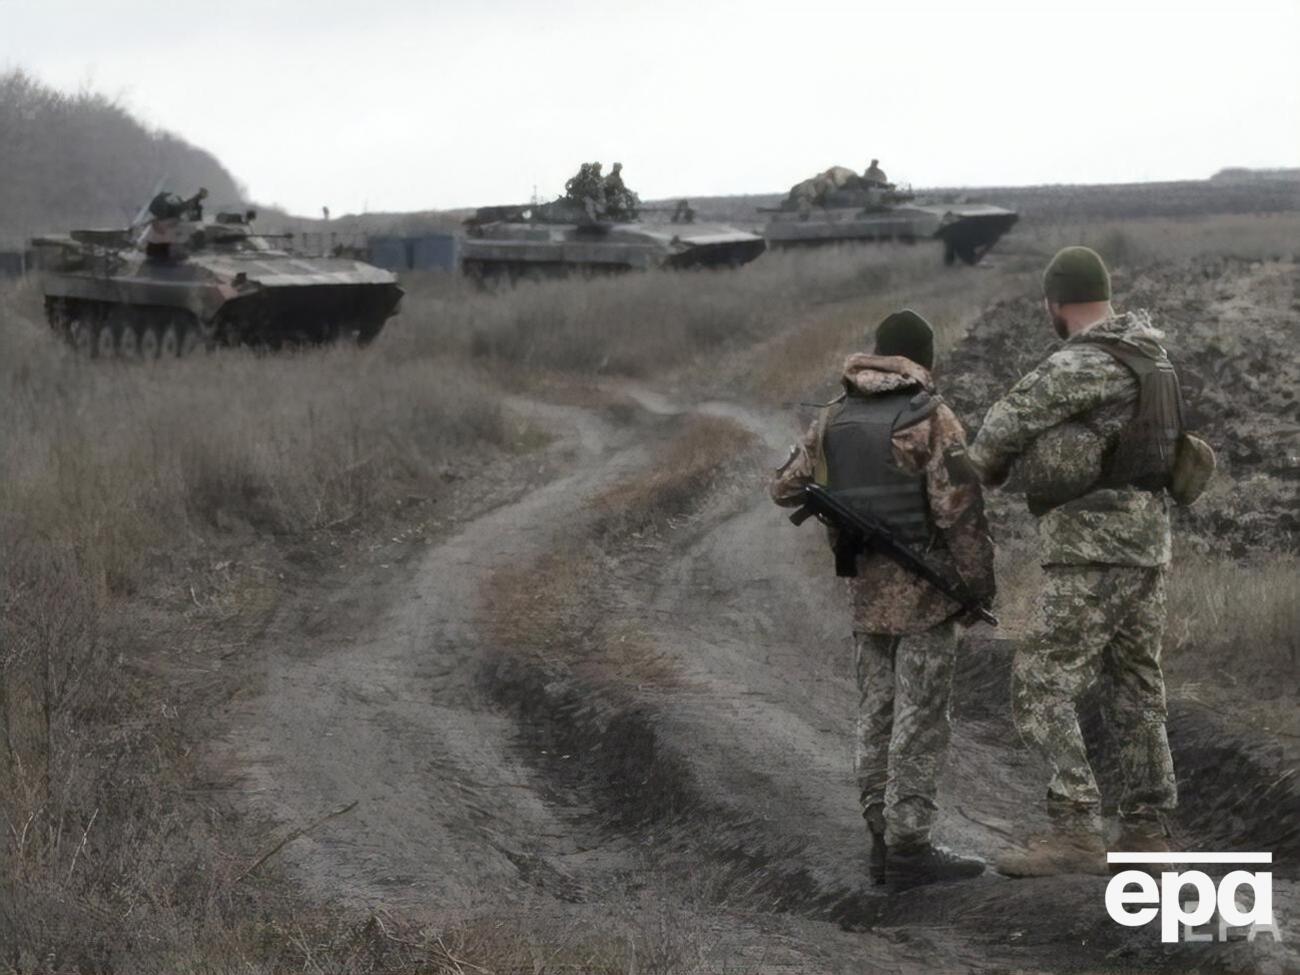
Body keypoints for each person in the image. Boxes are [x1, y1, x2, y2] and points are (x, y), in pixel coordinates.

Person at [968, 246, 1182, 878]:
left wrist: (984, 469)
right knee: (1136, 685)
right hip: (1147, 544)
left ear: (1055, 304)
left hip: (1093, 546)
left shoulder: (1084, 361)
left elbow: (1006, 421)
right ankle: (1147, 831)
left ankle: (1075, 828)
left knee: (1038, 683)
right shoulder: (1154, 357)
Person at [770, 310, 996, 888]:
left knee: (876, 714)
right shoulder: (930, 416)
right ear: (924, 358)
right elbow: (961, 511)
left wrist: (839, 504)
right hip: (926, 598)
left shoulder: (835, 416)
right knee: (919, 721)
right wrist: (976, 586)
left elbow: (783, 487)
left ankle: (880, 834)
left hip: (867, 595)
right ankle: (910, 846)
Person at [142, 187, 207, 261]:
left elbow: (185, 205)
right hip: (163, 252)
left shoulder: (156, 222)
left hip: (157, 251)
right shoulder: (175, 220)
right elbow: (185, 206)